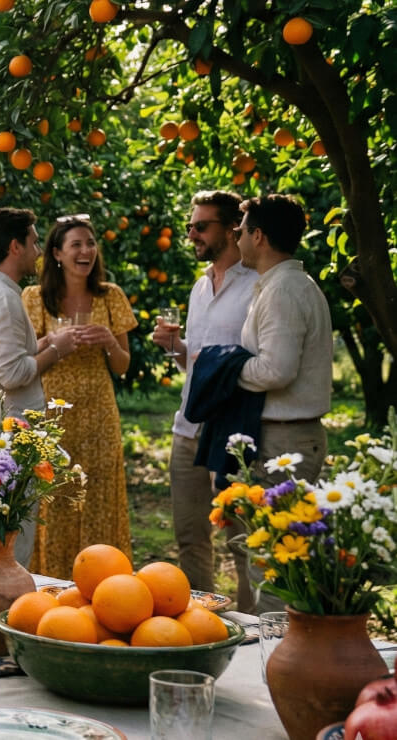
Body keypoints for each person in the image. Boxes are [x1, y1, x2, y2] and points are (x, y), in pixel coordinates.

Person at [0, 207, 79, 564]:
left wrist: (41, 344)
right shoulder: (4, 299)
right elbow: (11, 375)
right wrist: (57, 350)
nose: (39, 251)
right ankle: (1, 616)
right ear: (15, 247)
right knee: (9, 549)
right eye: (34, 242)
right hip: (3, 442)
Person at [152, 191, 259, 593]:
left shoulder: (257, 287)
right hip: (188, 426)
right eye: (189, 227)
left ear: (233, 229)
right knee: (190, 535)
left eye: (200, 226)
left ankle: (252, 633)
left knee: (242, 539)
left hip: (232, 429)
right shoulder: (199, 288)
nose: (192, 234)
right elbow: (196, 364)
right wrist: (176, 349)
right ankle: (200, 620)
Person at [21, 216, 138, 579]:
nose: (86, 251)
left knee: (100, 496)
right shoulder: (35, 298)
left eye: (90, 243)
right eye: (76, 244)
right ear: (56, 253)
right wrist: (55, 344)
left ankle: (105, 582)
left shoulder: (110, 296)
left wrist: (107, 342)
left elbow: (122, 366)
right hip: (52, 415)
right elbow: (25, 363)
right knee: (54, 496)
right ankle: (52, 584)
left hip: (99, 414)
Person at [233, 193, 332, 613]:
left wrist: (226, 370)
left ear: (259, 236)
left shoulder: (284, 291)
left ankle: (275, 663)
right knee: (273, 558)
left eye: (241, 230)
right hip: (280, 437)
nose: (235, 236)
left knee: (275, 564)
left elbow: (277, 370)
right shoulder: (279, 285)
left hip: (286, 443)